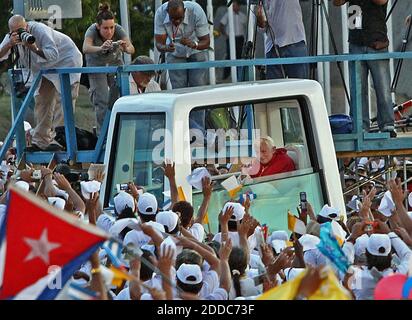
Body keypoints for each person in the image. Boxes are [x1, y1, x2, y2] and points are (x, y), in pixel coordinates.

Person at [0, 15, 82, 151]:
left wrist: (33, 47)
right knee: (42, 100)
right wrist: (9, 44)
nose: (20, 35)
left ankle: (59, 139)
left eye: (21, 31)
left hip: (66, 59)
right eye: (15, 32)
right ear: (10, 32)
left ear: (26, 26)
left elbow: (53, 54)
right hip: (45, 68)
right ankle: (40, 140)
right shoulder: (11, 37)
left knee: (65, 99)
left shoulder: (40, 30)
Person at [333, 0, 396, 137]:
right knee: (357, 89)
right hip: (356, 41)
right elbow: (336, 2)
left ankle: (387, 125)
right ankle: (360, 126)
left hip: (376, 42)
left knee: (382, 87)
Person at [83, 3, 135, 134]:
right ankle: (103, 135)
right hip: (97, 66)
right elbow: (86, 48)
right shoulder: (91, 30)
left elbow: (131, 49)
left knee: (120, 98)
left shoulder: (118, 29)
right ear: (98, 26)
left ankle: (121, 132)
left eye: (112, 27)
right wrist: (101, 48)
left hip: (114, 64)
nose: (110, 31)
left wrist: (125, 48)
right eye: (105, 28)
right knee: (102, 101)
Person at [154, 0, 210, 89]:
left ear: (184, 11)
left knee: (199, 88)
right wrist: (166, 48)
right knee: (179, 89)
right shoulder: (160, 13)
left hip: (196, 51)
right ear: (167, 12)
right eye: (172, 18)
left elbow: (206, 42)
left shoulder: (196, 10)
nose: (177, 21)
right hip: (174, 53)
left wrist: (194, 44)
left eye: (180, 17)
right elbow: (159, 44)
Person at [256, 0, 308, 79]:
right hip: (272, 47)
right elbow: (261, 29)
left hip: (294, 41)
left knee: (299, 87)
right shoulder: (259, 2)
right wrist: (260, 21)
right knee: (275, 88)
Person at [219, 0, 247, 79]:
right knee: (229, 56)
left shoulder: (242, 15)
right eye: (232, 6)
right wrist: (226, 35)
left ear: (238, 6)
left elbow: (247, 25)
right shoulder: (228, 15)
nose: (233, 7)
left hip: (240, 38)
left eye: (235, 5)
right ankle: (225, 76)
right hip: (231, 38)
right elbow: (221, 25)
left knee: (240, 56)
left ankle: (240, 75)